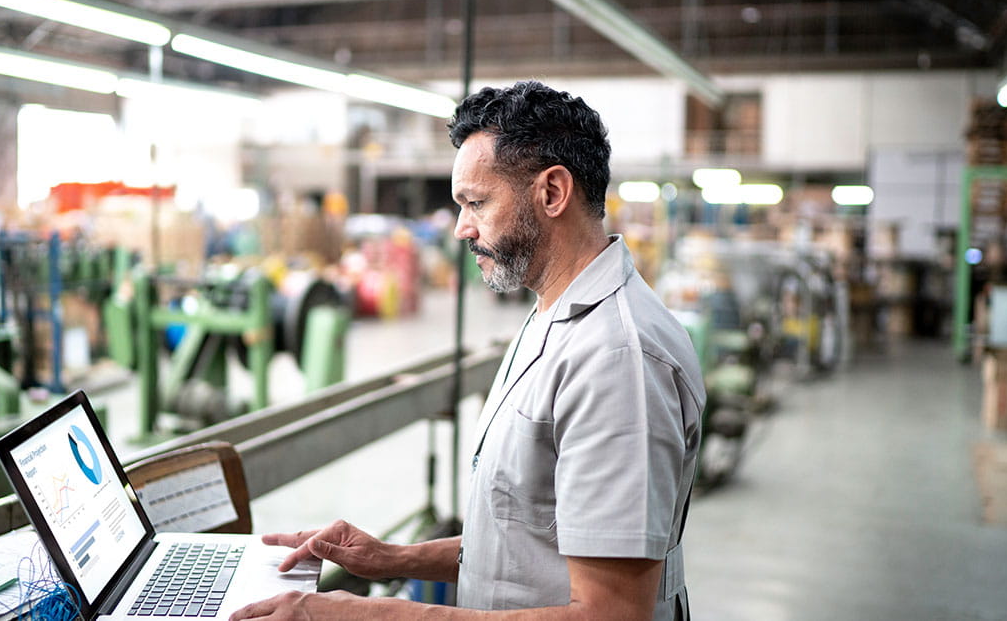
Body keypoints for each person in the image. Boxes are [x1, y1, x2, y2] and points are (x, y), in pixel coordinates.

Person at [231, 81, 706, 621]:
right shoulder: (554, 313)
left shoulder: (616, 358)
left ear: (552, 193)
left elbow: (610, 614)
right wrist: (392, 558)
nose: (461, 228)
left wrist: (366, 615)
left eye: (476, 203)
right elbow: (526, 543)